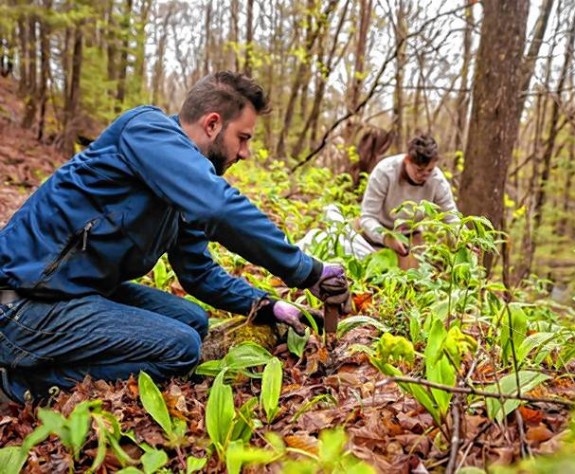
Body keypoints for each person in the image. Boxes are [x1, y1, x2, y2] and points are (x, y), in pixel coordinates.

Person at [0, 71, 349, 405]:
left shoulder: (180, 187)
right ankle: (19, 384)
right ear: (212, 124)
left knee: (194, 320)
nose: (245, 153)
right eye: (243, 138)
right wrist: (306, 270)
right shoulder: (145, 131)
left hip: (75, 292)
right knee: (180, 348)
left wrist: (268, 305)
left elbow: (200, 273)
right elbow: (219, 208)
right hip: (21, 304)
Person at [359, 133, 459, 268]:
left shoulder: (437, 181)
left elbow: (451, 217)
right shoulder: (384, 172)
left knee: (410, 280)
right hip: (375, 234)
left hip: (409, 237)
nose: (424, 175)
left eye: (429, 170)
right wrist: (386, 238)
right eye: (419, 170)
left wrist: (463, 239)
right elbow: (367, 217)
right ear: (407, 160)